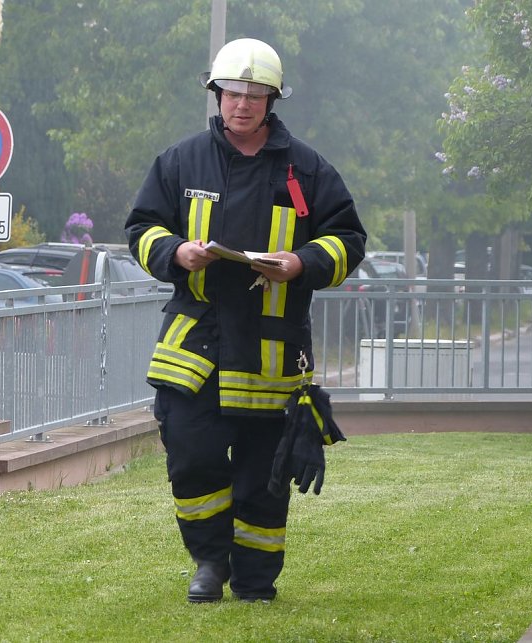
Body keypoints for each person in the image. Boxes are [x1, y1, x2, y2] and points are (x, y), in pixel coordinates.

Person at [124, 37, 366, 603]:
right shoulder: (180, 161)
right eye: (233, 93)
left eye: (256, 95)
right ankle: (209, 561)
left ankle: (256, 579)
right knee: (191, 452)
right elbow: (141, 229)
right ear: (217, 94)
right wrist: (177, 253)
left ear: (272, 100)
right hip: (196, 345)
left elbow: (349, 239)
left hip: (271, 348)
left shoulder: (306, 169)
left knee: (266, 472)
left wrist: (301, 262)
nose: (243, 104)